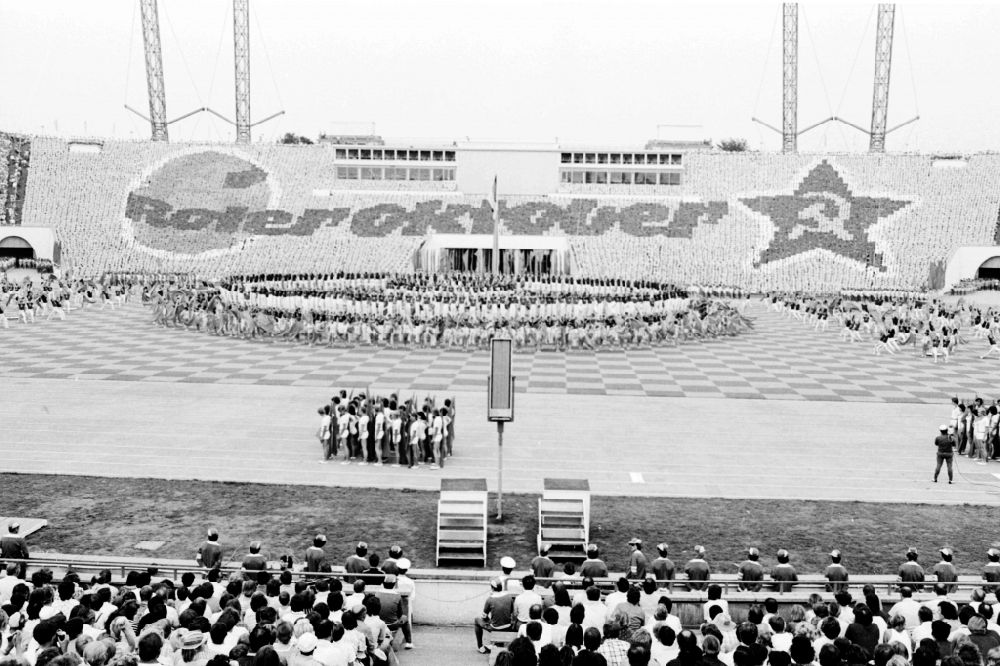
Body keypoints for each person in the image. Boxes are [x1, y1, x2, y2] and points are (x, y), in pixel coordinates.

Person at [474, 578, 516, 654]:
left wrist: (488, 620)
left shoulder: (490, 599)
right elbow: (511, 612)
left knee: (477, 620)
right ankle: (497, 644)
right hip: (508, 626)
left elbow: (484, 616)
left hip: (495, 628)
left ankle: (480, 647)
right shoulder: (509, 597)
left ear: (492, 588)